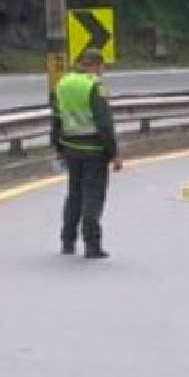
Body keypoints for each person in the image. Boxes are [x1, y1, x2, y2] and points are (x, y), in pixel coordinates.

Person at [53, 49, 122, 259]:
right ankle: (92, 245)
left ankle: (67, 241)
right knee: (93, 196)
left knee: (74, 194)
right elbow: (104, 123)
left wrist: (58, 149)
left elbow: (56, 119)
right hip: (94, 150)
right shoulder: (95, 86)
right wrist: (114, 153)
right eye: (102, 67)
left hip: (71, 147)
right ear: (98, 65)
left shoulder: (62, 83)